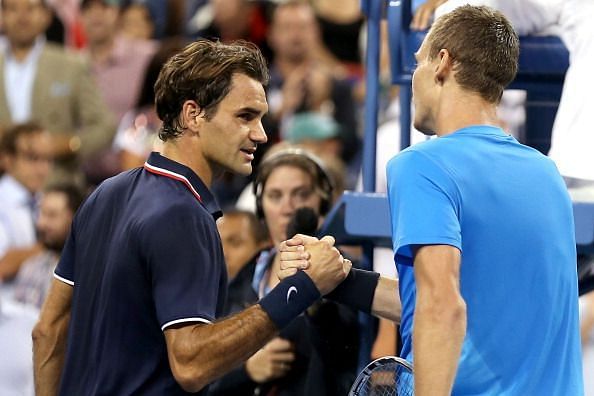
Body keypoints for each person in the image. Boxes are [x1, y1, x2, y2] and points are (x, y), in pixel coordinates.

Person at [279, 5, 584, 395]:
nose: (413, 79)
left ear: (442, 63)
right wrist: (340, 279)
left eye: (418, 62)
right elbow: (462, 308)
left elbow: (442, 309)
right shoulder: (546, 175)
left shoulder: (421, 164)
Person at [32, 39, 349, 396]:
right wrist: (300, 289)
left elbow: (48, 329)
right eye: (245, 116)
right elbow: (191, 363)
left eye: (261, 118)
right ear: (193, 114)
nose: (260, 134)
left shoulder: (104, 194)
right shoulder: (182, 214)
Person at [209, 146, 359, 396]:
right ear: (260, 206)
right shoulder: (243, 277)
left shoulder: (346, 270)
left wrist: (316, 303)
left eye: (301, 194)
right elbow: (208, 368)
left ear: (322, 202)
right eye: (275, 196)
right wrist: (246, 371)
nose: (288, 208)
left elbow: (346, 354)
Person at [0, 0, 114, 186]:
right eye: (13, 9)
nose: (22, 16)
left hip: (58, 187)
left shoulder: (71, 65)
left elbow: (105, 127)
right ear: (2, 16)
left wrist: (69, 144)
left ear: (47, 16)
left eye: (30, 8)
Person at [13, 183, 85, 309]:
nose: (41, 223)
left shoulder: (85, 274)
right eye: (41, 213)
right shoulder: (31, 266)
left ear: (75, 219)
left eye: (51, 215)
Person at [0, 123, 52, 287]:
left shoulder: (45, 201)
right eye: (32, 158)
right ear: (7, 160)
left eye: (48, 159)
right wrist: (52, 247)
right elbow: (3, 265)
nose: (42, 169)